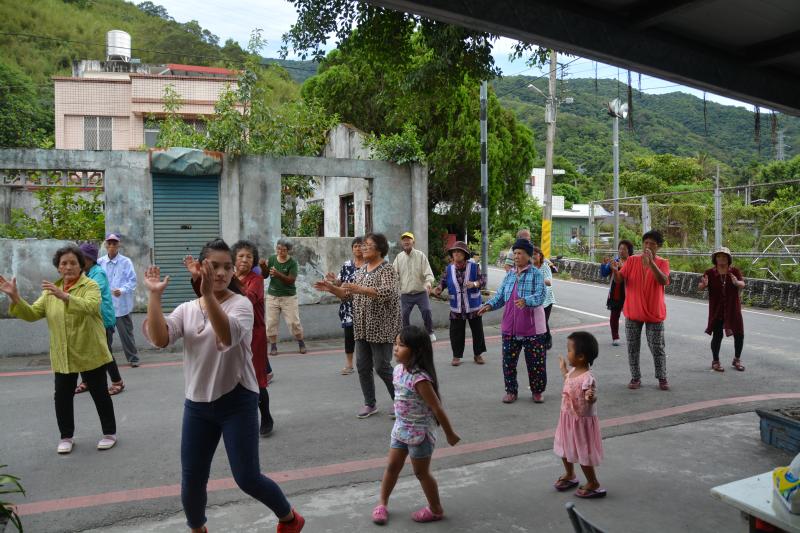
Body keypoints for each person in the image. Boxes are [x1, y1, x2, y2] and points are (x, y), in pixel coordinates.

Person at [143, 239, 304, 533]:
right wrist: (154, 297)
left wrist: (208, 296)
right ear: (202, 267)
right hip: (197, 405)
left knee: (247, 478)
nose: (221, 273)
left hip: (237, 401)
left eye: (227, 267)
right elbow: (159, 338)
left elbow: (228, 337)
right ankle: (197, 528)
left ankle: (289, 518)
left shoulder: (240, 304)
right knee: (192, 479)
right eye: (214, 266)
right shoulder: (186, 309)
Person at [0, 245, 117, 454]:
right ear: (58, 268)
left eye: (73, 263)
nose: (68, 266)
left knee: (100, 393)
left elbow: (91, 306)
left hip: (90, 351)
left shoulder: (90, 285)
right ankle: (66, 436)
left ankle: (109, 433)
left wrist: (64, 297)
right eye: (64, 263)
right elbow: (32, 314)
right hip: (63, 354)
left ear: (81, 266)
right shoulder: (50, 291)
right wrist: (15, 297)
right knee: (62, 397)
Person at [371, 326, 460, 525]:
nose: (395, 348)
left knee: (421, 473)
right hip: (401, 429)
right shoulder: (397, 370)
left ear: (416, 351)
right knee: (392, 467)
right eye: (395, 343)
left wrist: (450, 434)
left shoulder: (420, 379)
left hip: (420, 434)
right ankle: (382, 503)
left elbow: (437, 408)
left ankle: (436, 509)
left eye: (401, 345)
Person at [185, 240, 274, 436]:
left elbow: (244, 299)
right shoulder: (228, 278)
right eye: (241, 256)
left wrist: (220, 286)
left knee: (256, 377)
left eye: (249, 257)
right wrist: (197, 277)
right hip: (226, 329)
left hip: (253, 334)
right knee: (233, 373)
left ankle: (265, 416)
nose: (244, 260)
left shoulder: (255, 280)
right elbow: (208, 298)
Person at [315, 233, 402, 419]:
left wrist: (359, 289)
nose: (363, 248)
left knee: (382, 366)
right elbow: (348, 294)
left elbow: (388, 293)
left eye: (367, 245)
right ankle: (370, 404)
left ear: (379, 248)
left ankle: (401, 401)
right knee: (362, 365)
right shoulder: (361, 270)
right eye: (362, 245)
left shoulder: (387, 269)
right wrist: (331, 288)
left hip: (381, 325)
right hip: (362, 326)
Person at [478, 238, 548, 404]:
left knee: (536, 364)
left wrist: (527, 301)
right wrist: (488, 305)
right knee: (508, 362)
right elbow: (501, 296)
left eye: (520, 253)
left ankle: (537, 391)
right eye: (515, 253)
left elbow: (541, 295)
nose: (516, 256)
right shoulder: (509, 275)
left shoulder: (536, 274)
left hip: (533, 329)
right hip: (509, 327)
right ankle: (511, 391)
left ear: (528, 256)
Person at [610, 230, 671, 391]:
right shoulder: (631, 260)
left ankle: (662, 377)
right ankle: (635, 377)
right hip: (633, 311)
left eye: (652, 244)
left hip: (654, 312)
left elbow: (663, 280)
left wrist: (651, 263)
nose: (648, 246)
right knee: (632, 346)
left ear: (658, 247)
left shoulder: (663, 262)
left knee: (657, 346)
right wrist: (615, 271)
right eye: (646, 243)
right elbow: (619, 280)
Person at [553, 331, 605, 498]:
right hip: (567, 418)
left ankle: (593, 482)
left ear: (581, 356)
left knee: (584, 452)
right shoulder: (573, 371)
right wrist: (563, 370)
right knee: (565, 448)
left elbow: (591, 396)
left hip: (581, 422)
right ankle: (570, 474)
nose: (567, 353)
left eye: (569, 350)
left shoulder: (587, 378)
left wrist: (591, 397)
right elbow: (568, 382)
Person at [75, 243, 125, 396]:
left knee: (105, 352)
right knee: (82, 349)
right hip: (86, 318)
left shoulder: (98, 273)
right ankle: (87, 381)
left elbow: (90, 290)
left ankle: (117, 382)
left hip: (102, 319)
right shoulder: (82, 273)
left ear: (90, 259)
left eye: (81, 258)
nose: (79, 261)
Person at [432, 241, 487, 366]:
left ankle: (478, 354)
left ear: (465, 254)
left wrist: (474, 284)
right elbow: (443, 281)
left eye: (459, 251)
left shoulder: (474, 267)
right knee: (456, 332)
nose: (456, 254)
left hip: (473, 305)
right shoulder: (449, 268)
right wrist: (439, 288)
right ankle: (456, 356)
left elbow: (483, 280)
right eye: (454, 252)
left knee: (477, 331)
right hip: (456, 306)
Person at [698, 247, 746, 372]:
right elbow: (700, 286)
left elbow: (743, 284)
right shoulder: (709, 272)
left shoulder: (734, 271)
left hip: (732, 307)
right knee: (717, 335)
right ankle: (715, 361)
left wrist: (737, 283)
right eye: (719, 256)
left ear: (728, 259)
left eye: (724, 257)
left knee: (739, 334)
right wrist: (704, 285)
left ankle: (737, 359)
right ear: (715, 259)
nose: (721, 259)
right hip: (717, 308)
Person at [98, 233, 140, 367]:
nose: (111, 246)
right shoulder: (100, 262)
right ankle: (106, 360)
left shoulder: (126, 262)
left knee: (126, 335)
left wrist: (121, 290)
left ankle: (133, 359)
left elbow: (132, 281)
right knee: (105, 336)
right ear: (105, 245)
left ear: (119, 245)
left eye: (114, 243)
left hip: (122, 305)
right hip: (106, 306)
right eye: (109, 243)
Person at [324, 236, 364, 375]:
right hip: (348, 307)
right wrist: (333, 281)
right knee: (349, 336)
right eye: (355, 246)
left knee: (366, 336)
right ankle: (349, 364)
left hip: (365, 307)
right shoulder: (347, 264)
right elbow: (340, 283)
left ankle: (367, 363)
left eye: (360, 245)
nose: (358, 248)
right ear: (352, 249)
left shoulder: (369, 265)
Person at [259, 239, 306, 356]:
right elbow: (265, 275)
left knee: (294, 322)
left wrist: (278, 274)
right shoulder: (272, 259)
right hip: (272, 296)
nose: (280, 251)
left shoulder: (292, 263)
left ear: (288, 251)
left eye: (284, 250)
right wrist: (262, 265)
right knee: (271, 323)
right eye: (279, 249)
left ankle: (301, 342)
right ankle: (273, 346)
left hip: (289, 297)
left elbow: (291, 280)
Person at [393, 231, 437, 342]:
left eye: (409, 239)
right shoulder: (399, 258)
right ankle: (407, 335)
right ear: (402, 242)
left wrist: (428, 283)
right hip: (406, 294)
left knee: (426, 311)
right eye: (404, 239)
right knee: (403, 315)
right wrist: (394, 286)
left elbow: (429, 274)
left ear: (413, 242)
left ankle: (430, 332)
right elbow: (393, 275)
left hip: (421, 292)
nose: (406, 241)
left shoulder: (420, 255)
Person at [599, 240, 634, 346]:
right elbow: (604, 274)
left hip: (630, 293)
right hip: (616, 292)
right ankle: (615, 337)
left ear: (629, 251)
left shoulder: (633, 262)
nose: (621, 251)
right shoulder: (614, 261)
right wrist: (604, 265)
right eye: (620, 248)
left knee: (632, 316)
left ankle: (632, 337)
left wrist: (622, 267)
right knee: (614, 315)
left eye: (624, 249)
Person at [532, 246, 556, 350]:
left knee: (543, 321)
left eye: (536, 254)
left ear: (540, 256)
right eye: (532, 255)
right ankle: (537, 341)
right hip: (535, 299)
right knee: (536, 321)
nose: (534, 257)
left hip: (547, 299)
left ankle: (547, 339)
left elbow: (549, 282)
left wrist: (538, 279)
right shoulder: (530, 267)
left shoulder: (545, 267)